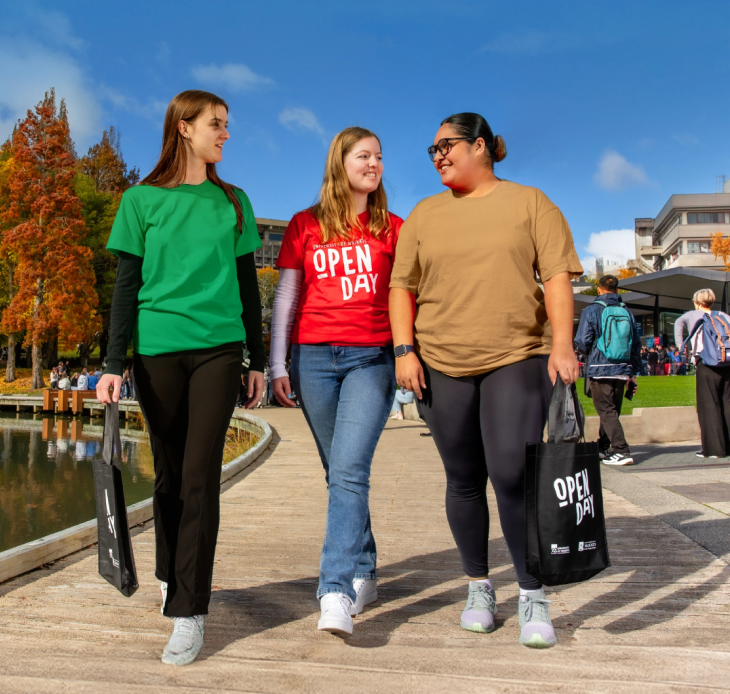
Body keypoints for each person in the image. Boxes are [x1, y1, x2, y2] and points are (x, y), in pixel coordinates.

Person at [389, 112, 583, 649]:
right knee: (463, 478)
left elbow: (558, 279)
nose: (437, 157)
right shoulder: (424, 215)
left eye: (445, 146)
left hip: (516, 355)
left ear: (480, 146)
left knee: (512, 474)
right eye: (431, 151)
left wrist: (562, 346)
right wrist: (405, 350)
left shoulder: (531, 202)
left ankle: (530, 590)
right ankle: (479, 585)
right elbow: (401, 287)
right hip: (440, 362)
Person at [96, 90, 265, 666]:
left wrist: (258, 360)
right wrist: (112, 365)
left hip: (219, 350)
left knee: (199, 477)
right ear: (184, 128)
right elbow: (125, 288)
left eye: (226, 125)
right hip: (158, 352)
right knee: (167, 476)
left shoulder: (234, 203)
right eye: (216, 124)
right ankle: (171, 574)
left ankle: (190, 611)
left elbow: (247, 291)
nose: (224, 133)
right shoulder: (140, 201)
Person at [269, 127, 403, 636]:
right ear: (340, 162)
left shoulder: (395, 228)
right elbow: (286, 299)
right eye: (364, 155)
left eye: (380, 157)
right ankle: (366, 568)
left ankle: (335, 590)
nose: (374, 164)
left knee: (348, 470)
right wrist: (279, 364)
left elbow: (405, 296)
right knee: (338, 471)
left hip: (372, 358)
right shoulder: (305, 225)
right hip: (314, 360)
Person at [574, 274, 641, 466]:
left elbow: (584, 341)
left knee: (605, 410)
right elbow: (635, 344)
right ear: (617, 290)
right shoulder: (626, 311)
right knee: (612, 410)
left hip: (600, 366)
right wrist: (633, 372)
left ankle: (621, 450)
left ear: (599, 289)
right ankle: (603, 448)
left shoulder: (592, 309)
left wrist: (583, 354)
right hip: (622, 367)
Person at [684, 288, 730, 458]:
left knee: (709, 405)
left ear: (697, 302)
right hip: (726, 362)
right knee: (727, 403)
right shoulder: (724, 316)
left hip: (707, 362)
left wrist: (684, 348)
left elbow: (677, 325)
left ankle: (714, 449)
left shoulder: (692, 315)